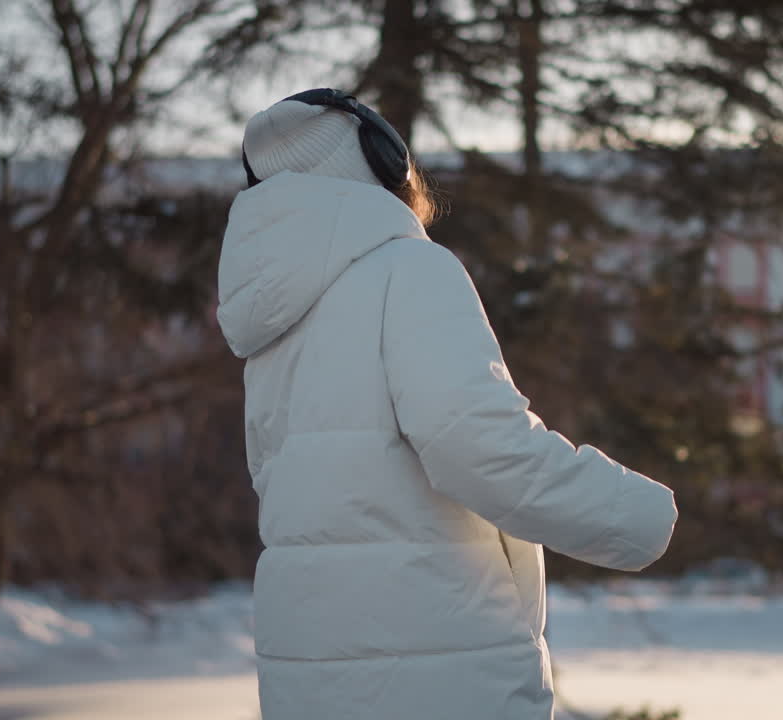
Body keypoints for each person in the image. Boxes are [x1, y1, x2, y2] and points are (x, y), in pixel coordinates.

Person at [217, 89, 677, 720]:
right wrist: (635, 516)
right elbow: (479, 447)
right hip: (436, 668)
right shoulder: (408, 270)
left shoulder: (273, 322)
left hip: (310, 672)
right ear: (385, 166)